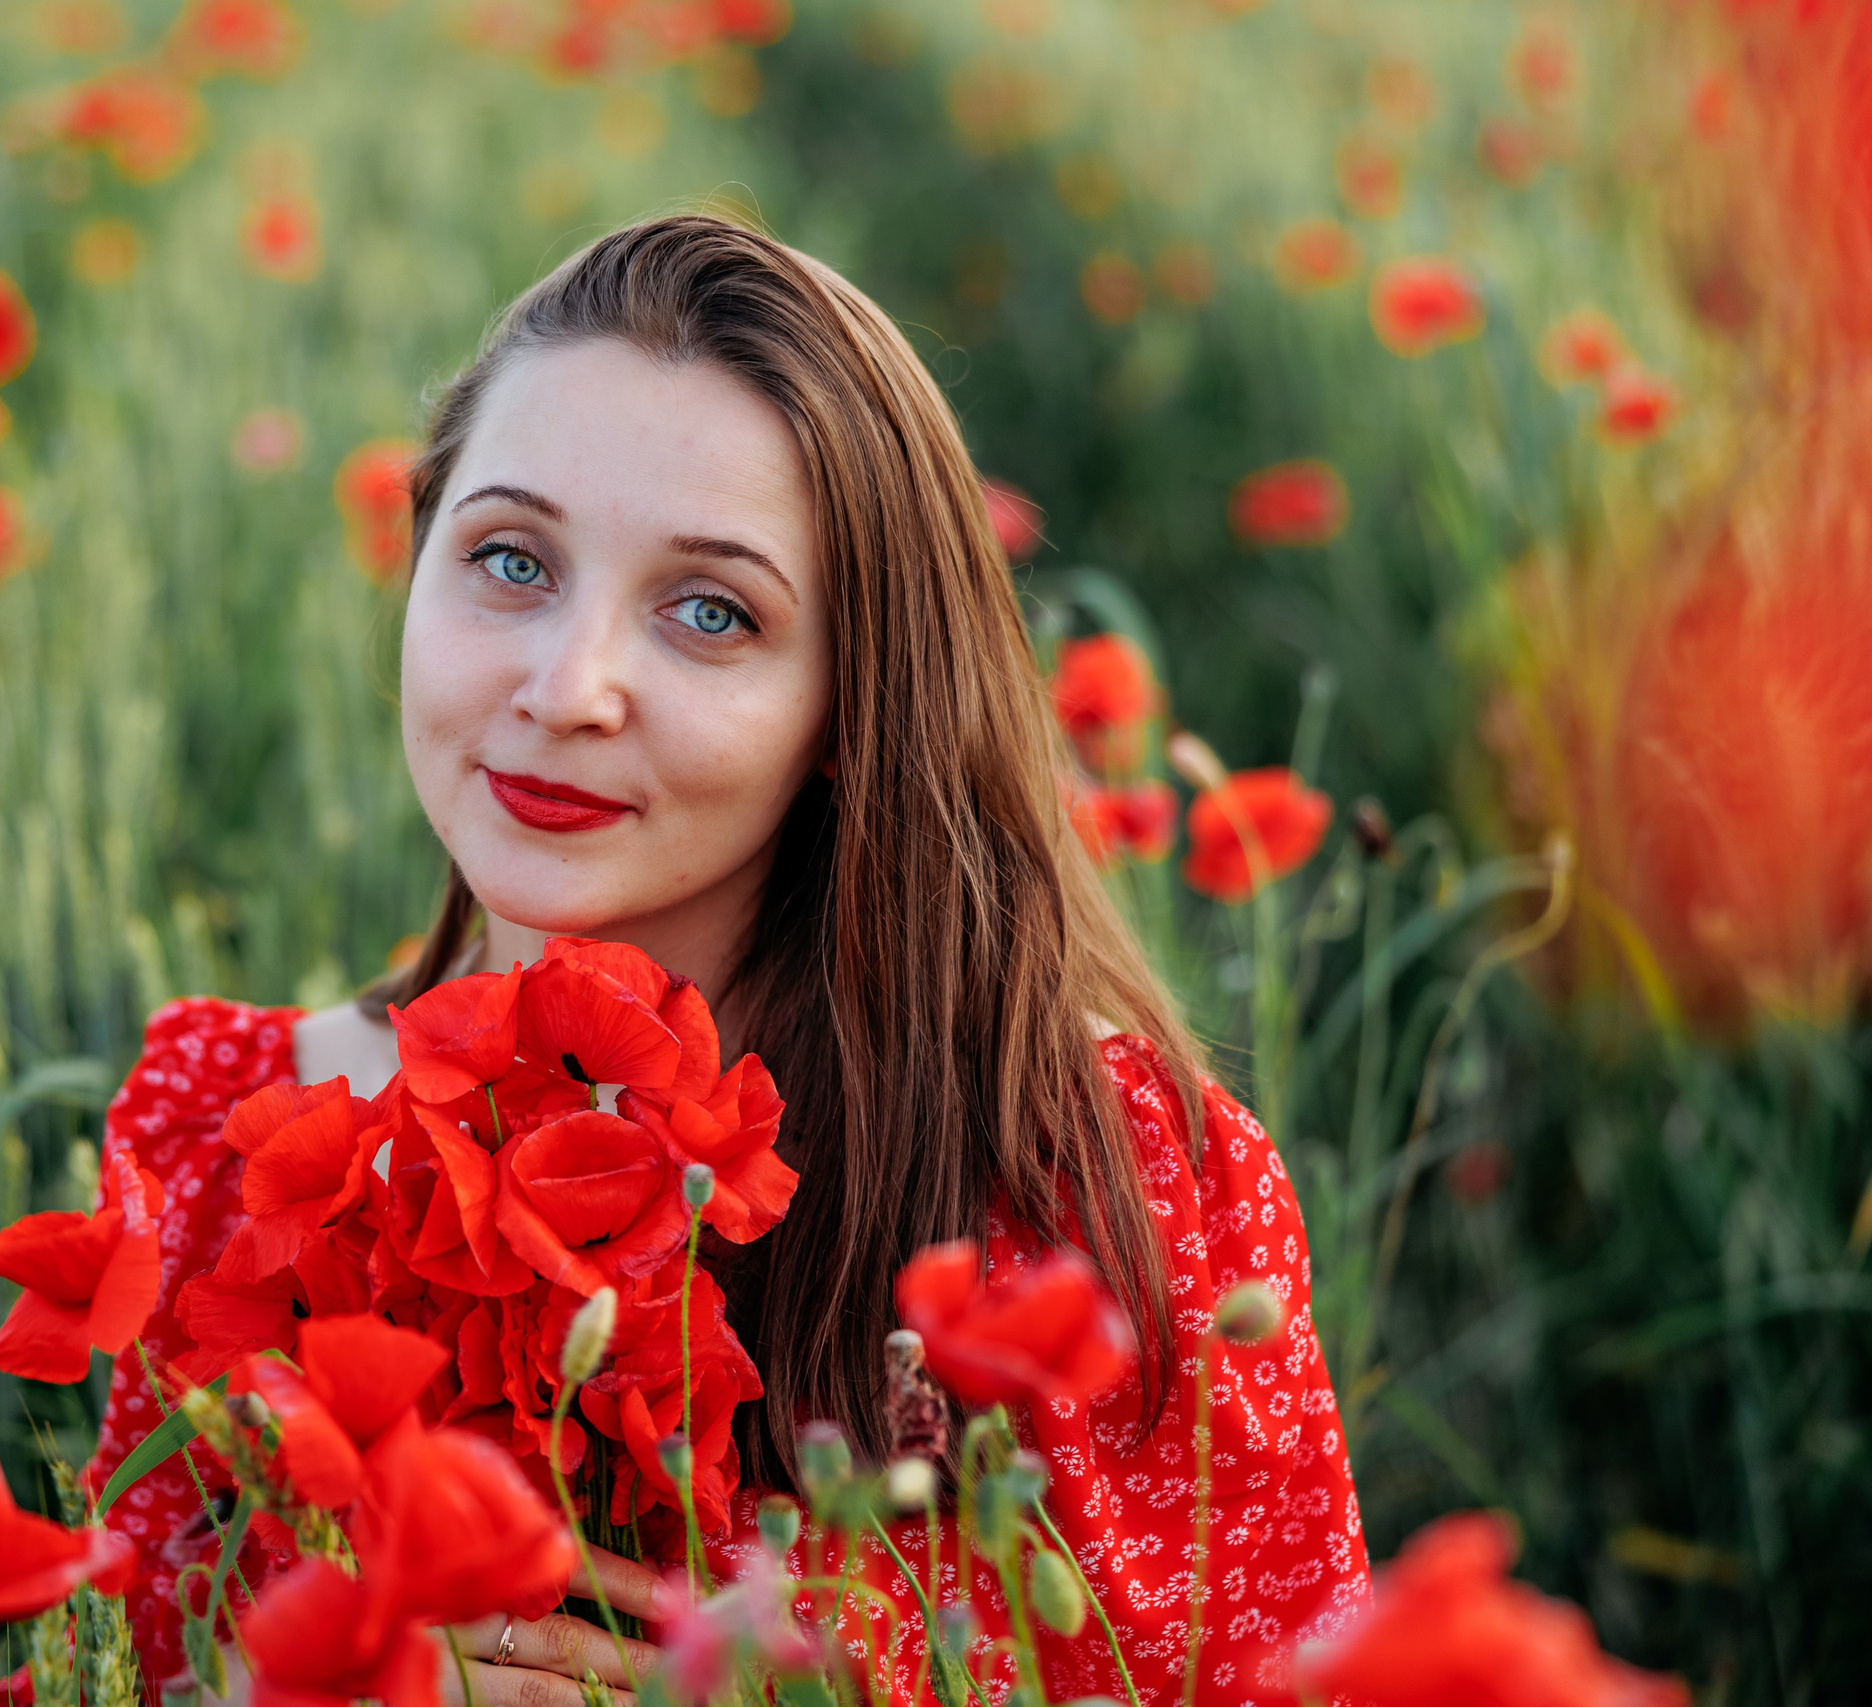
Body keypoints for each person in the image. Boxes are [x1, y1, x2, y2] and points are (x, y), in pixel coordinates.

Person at [85, 214, 1370, 1704]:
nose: (569, 689)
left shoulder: (1097, 1190)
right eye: (509, 558)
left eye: (713, 612)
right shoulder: (223, 1145)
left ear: (852, 710)